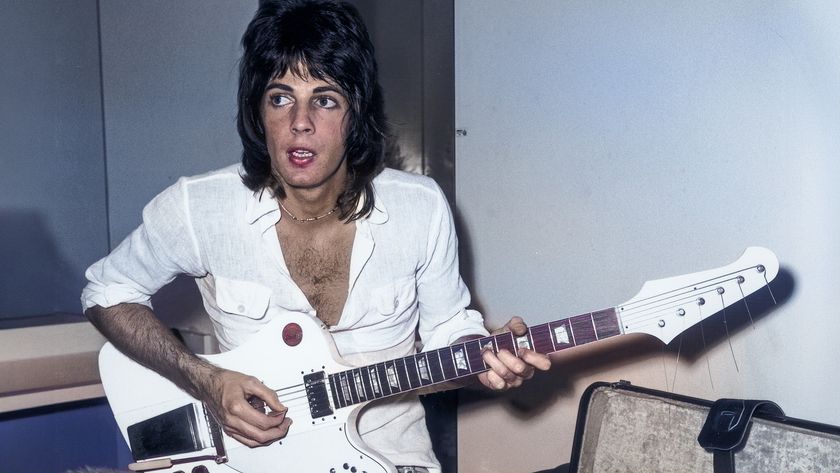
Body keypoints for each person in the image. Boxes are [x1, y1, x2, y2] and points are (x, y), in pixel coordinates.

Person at [82, 1, 551, 471]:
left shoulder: (421, 207)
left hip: (392, 460)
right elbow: (106, 292)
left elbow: (448, 332)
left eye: (325, 99)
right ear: (258, 110)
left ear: (356, 114)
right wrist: (204, 379)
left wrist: (486, 362)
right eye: (280, 98)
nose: (300, 122)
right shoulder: (197, 207)